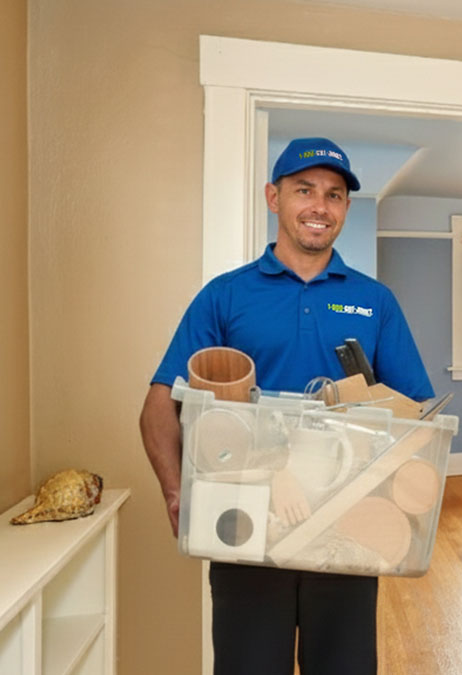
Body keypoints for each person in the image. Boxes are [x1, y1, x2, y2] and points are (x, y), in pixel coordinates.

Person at [139, 137, 434, 675]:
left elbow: (414, 412)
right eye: (305, 190)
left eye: (335, 194)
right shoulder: (225, 296)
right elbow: (162, 401)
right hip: (247, 526)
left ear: (345, 207)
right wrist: (177, 492)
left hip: (345, 531)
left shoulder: (374, 301)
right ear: (274, 198)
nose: (320, 206)